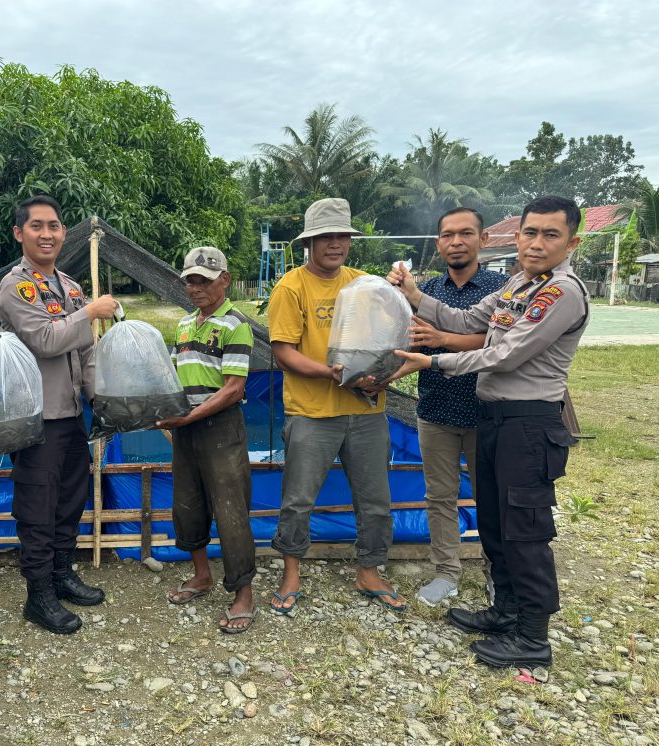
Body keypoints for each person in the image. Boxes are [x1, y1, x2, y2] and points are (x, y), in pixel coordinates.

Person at [388, 195, 588, 668]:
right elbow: (464, 321)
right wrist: (415, 296)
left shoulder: (561, 292)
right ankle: (506, 612)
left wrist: (434, 360)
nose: (537, 244)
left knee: (526, 530)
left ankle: (533, 639)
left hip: (530, 422)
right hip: (496, 418)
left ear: (571, 242)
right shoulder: (521, 283)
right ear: (516, 236)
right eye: (531, 232)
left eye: (551, 235)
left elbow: (504, 354)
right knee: (496, 521)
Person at [267, 198, 405, 614]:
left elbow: (389, 340)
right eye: (325, 236)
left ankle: (370, 569)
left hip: (366, 411)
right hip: (312, 413)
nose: (334, 243)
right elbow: (283, 353)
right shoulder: (291, 287)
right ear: (309, 243)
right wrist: (332, 373)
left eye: (341, 235)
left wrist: (382, 374)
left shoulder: (365, 284)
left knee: (375, 498)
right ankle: (291, 571)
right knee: (298, 499)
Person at [0, 195, 118, 634]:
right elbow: (46, 340)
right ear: (19, 233)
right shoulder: (16, 286)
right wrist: (89, 312)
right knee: (37, 505)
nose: (47, 234)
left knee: (70, 498)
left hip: (70, 415)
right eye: (37, 226)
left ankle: (62, 573)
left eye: (54, 226)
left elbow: (85, 351)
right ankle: (38, 594)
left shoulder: (69, 286)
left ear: (64, 233)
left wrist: (98, 398)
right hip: (37, 418)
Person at [156, 247, 257, 633]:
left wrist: (187, 417)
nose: (196, 288)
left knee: (231, 512)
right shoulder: (183, 325)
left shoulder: (235, 325)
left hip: (220, 429)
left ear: (225, 280)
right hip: (187, 430)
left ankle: (243, 594)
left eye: (205, 280)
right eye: (191, 281)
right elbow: (177, 380)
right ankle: (202, 576)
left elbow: (233, 389)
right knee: (187, 505)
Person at [411, 208, 508, 607]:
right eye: (448, 235)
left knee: (493, 497)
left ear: (483, 239)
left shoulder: (503, 288)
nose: (456, 242)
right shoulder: (428, 290)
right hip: (435, 408)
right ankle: (446, 572)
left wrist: (442, 338)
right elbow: (417, 342)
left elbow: (500, 343)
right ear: (438, 244)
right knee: (439, 496)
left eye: (465, 233)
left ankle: (497, 573)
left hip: (486, 409)